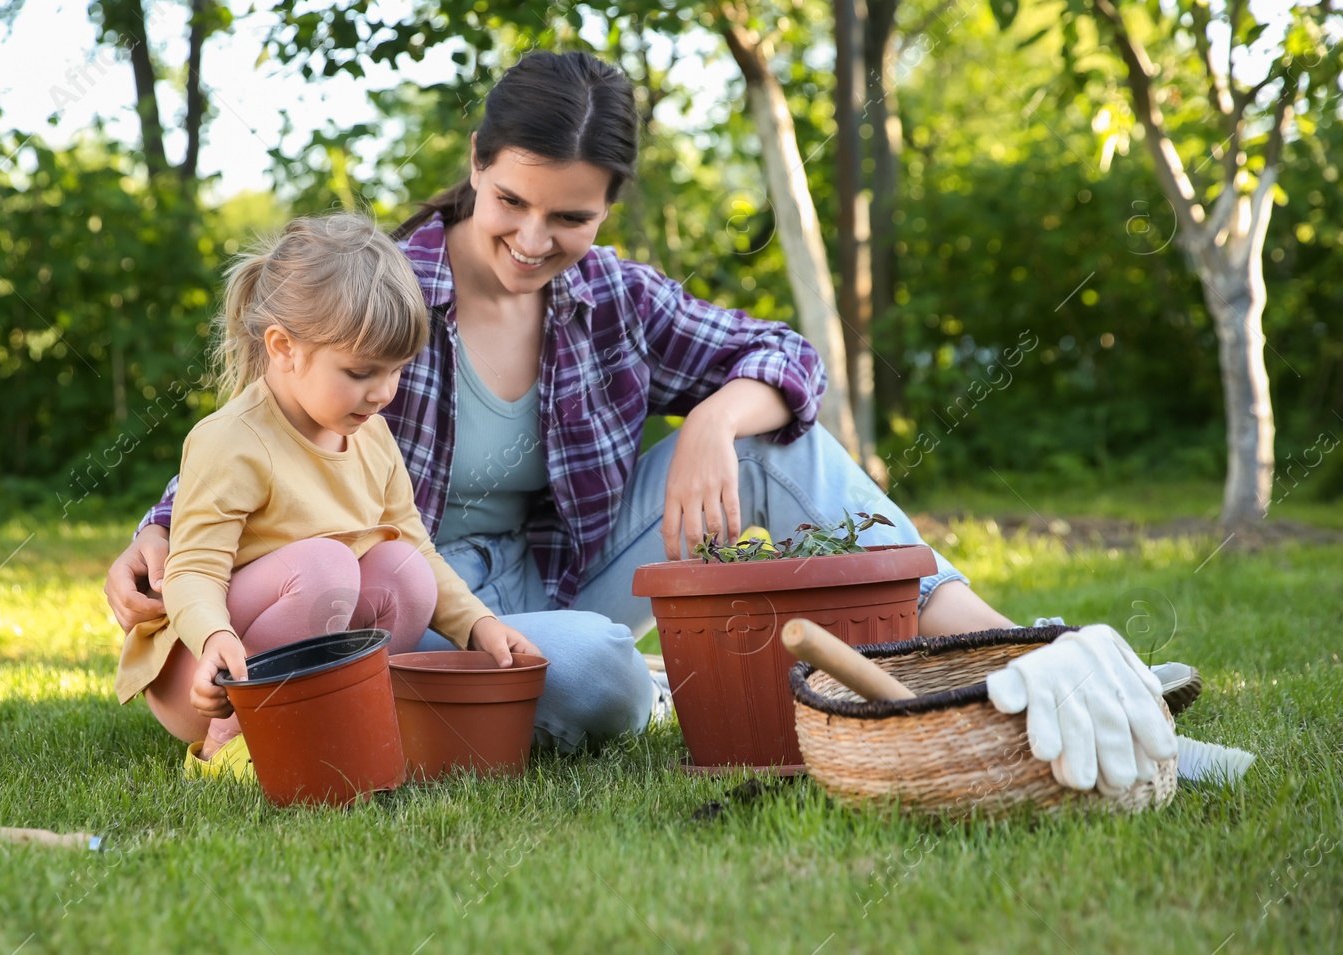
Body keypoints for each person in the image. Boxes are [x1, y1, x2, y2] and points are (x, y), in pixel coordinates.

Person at [106, 50, 1015, 755]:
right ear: (476, 163)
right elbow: (258, 431)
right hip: (404, 595)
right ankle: (417, 701)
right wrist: (158, 532)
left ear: (610, 206)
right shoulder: (380, 293)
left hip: (553, 576)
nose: (533, 240)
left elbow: (786, 355)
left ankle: (1008, 663)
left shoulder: (614, 299)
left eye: (571, 218)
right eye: (511, 200)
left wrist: (712, 418)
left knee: (782, 447)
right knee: (595, 674)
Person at [116, 214, 539, 777]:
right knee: (327, 563)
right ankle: (228, 745)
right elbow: (194, 570)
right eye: (362, 371)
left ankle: (338, 718)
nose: (384, 392)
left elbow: (420, 551)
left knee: (402, 568)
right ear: (284, 347)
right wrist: (215, 637)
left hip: (291, 648)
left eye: (397, 371)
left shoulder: (372, 436)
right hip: (205, 669)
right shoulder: (231, 440)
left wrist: (478, 624)